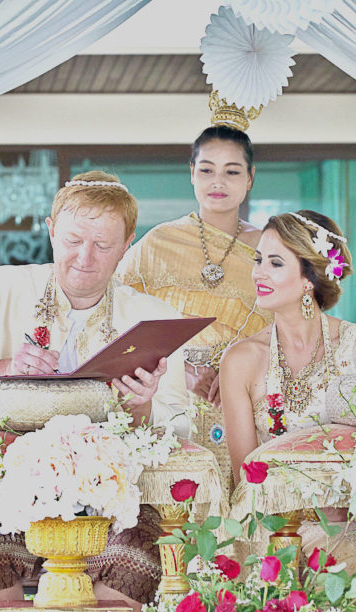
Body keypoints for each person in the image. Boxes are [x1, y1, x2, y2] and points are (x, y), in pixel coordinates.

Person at [0, 171, 189, 612]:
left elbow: (180, 429)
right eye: (73, 240)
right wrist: (1, 369)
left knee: (137, 553)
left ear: (127, 244)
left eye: (103, 245)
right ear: (50, 230)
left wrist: (142, 406)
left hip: (113, 495)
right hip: (7, 488)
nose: (85, 258)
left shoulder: (154, 316)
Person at [118, 125, 270, 492]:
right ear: (191, 172)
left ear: (250, 178)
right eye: (207, 169)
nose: (218, 181)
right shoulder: (159, 243)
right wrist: (178, 372)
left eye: (232, 171)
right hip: (171, 403)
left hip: (248, 402)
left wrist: (237, 374)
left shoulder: (268, 249)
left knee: (247, 505)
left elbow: (287, 326)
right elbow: (119, 318)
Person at [221, 210, 356, 475]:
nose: (258, 274)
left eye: (275, 263)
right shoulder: (240, 360)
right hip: (274, 513)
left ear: (310, 276)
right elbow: (246, 479)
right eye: (258, 260)